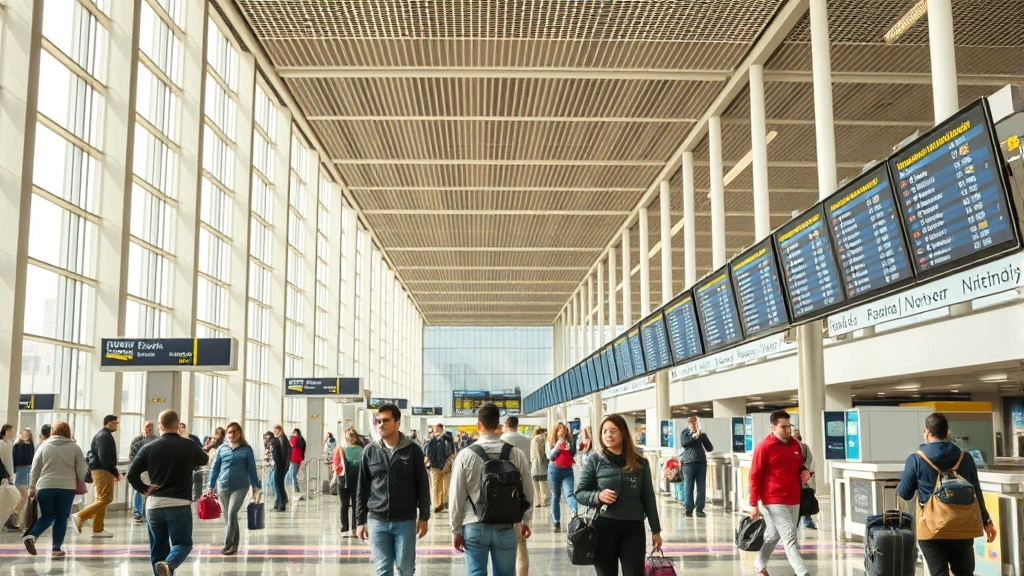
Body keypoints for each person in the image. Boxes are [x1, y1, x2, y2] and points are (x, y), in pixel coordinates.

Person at [897, 412, 997, 576]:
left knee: (938, 573)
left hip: (931, 529)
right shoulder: (965, 458)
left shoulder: (916, 459)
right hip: (963, 526)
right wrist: (987, 522)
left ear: (927, 432)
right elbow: (976, 492)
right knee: (964, 572)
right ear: (947, 432)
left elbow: (905, 493)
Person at [450, 403, 534, 576]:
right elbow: (527, 489)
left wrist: (455, 530)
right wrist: (526, 520)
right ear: (498, 426)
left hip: (474, 524)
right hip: (506, 525)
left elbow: (456, 495)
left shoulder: (465, 455)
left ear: (478, 425)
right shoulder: (515, 454)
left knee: (476, 573)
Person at [575, 414, 663, 576]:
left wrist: (655, 530)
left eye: (613, 430)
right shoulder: (595, 460)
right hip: (603, 528)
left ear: (623, 432)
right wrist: (598, 496)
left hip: (633, 530)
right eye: (604, 431)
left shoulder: (640, 462)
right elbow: (580, 493)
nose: (608, 435)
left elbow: (648, 497)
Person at [128, 409, 210, 576]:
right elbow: (204, 459)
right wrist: (186, 441)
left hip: (154, 506)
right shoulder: (189, 445)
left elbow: (131, 474)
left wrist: (145, 489)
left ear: (160, 426)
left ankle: (163, 567)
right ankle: (169, 563)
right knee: (183, 544)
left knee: (158, 549)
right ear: (177, 424)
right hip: (179, 504)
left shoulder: (148, 447)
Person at [356, 403, 431, 576]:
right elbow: (362, 489)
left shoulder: (413, 451)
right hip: (377, 520)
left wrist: (424, 516)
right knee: (383, 569)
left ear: (398, 423)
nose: (381, 424)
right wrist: (359, 521)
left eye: (386, 420)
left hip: (405, 520)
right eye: (378, 421)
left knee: (405, 569)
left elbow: (423, 485)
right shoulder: (370, 451)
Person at [748, 410, 812, 576]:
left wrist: (805, 472)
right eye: (783, 427)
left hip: (794, 497)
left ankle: (759, 564)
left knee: (774, 535)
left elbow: (800, 466)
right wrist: (753, 503)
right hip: (773, 499)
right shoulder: (764, 447)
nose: (788, 430)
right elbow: (754, 475)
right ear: (773, 427)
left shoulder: (795, 445)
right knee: (789, 536)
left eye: (789, 426)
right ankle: (802, 572)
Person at [21, 422, 86, 557]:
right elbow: (82, 470)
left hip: (44, 487)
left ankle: (32, 535)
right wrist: (81, 479)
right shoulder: (75, 447)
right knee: (62, 516)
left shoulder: (44, 446)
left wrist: (31, 488)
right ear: (69, 432)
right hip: (66, 488)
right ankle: (56, 548)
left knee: (48, 515)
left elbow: (35, 469)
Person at [206, 422, 261, 555]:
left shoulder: (246, 449)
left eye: (234, 431)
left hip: (240, 486)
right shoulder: (221, 449)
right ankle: (234, 544)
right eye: (229, 432)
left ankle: (227, 543)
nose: (231, 434)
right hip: (223, 486)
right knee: (229, 517)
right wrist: (210, 485)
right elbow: (215, 468)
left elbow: (252, 469)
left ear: (239, 433)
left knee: (231, 513)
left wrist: (256, 488)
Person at [72, 415, 121, 539]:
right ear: (108, 423)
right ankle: (80, 516)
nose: (116, 425)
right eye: (115, 423)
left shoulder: (103, 435)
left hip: (101, 470)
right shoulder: (104, 436)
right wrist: (114, 472)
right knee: (106, 498)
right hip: (102, 471)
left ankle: (98, 529)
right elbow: (104, 457)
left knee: (101, 499)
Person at [500, 416, 534, 576]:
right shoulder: (527, 440)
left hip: (501, 492)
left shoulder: (500, 439)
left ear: (506, 425)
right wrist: (527, 517)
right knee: (521, 544)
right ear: (517, 425)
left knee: (500, 548)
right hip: (521, 491)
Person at [679, 416, 714, 518]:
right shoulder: (685, 433)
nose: (694, 425)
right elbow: (684, 444)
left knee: (701, 487)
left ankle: (700, 509)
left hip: (701, 463)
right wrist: (693, 437)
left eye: (695, 423)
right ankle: (688, 509)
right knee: (688, 487)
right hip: (688, 464)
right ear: (689, 424)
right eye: (692, 423)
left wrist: (702, 437)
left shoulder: (701, 434)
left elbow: (710, 448)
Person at [546, 422, 578, 532]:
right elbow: (550, 456)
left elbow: (573, 453)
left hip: (567, 470)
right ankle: (556, 522)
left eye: (564, 430)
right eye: (559, 430)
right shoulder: (550, 442)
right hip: (554, 470)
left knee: (569, 493)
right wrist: (558, 446)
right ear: (555, 432)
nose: (562, 432)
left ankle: (574, 513)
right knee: (555, 496)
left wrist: (568, 446)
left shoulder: (570, 441)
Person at [424, 422, 456, 513]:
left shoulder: (442, 440)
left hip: (441, 467)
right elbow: (427, 454)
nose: (435, 430)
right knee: (438, 486)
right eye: (434, 428)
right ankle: (439, 503)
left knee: (441, 486)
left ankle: (441, 503)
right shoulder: (433, 441)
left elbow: (452, 452)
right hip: (438, 467)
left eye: (436, 428)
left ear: (441, 429)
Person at [129, 422, 157, 524]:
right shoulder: (136, 441)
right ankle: (138, 512)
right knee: (138, 490)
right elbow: (132, 456)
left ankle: (147, 513)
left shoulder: (156, 440)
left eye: (150, 430)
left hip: (150, 471)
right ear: (142, 429)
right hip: (138, 470)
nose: (148, 431)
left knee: (149, 491)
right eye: (146, 429)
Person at [339, 427, 364, 537]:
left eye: (352, 435)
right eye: (348, 436)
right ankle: (345, 528)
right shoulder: (341, 449)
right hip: (344, 480)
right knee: (345, 505)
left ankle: (354, 528)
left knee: (355, 505)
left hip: (355, 480)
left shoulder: (361, 450)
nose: (350, 438)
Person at [792, 430, 816, 530]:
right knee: (803, 498)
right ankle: (806, 521)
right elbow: (810, 460)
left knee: (803, 498)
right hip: (799, 478)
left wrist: (804, 471)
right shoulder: (802, 447)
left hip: (799, 478)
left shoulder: (802, 447)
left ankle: (805, 521)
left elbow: (809, 460)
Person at [11, 428, 35, 530]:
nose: (25, 436)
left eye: (27, 435)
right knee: (23, 497)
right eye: (24, 434)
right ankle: (14, 516)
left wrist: (27, 444)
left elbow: (30, 458)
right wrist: (23, 443)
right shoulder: (17, 446)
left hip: (28, 470)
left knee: (24, 497)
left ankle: (16, 518)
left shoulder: (31, 446)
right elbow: (18, 459)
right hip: (21, 470)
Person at [270, 426, 291, 511]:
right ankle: (279, 502)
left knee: (277, 484)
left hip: (280, 466)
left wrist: (277, 464)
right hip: (283, 465)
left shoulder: (278, 440)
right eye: (274, 431)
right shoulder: (283, 440)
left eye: (277, 431)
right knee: (280, 484)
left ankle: (282, 502)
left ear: (281, 430)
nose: (275, 432)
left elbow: (279, 455)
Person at [529, 428, 550, 508]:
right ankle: (544, 502)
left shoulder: (533, 453)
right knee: (543, 487)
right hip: (543, 471)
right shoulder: (544, 453)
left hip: (534, 471)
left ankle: (539, 501)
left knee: (537, 488)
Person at [0, 424, 14, 529]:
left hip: (8, 474)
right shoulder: (1, 443)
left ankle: (6, 520)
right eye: (11, 431)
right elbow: (2, 460)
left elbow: (10, 461)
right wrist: (5, 473)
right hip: (3, 474)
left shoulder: (9, 443)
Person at [287, 428, 306, 501]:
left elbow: (291, 442)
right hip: (298, 459)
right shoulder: (301, 440)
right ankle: (294, 491)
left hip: (294, 459)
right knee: (289, 476)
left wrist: (291, 436)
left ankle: (297, 491)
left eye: (293, 432)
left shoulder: (295, 440)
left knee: (292, 476)